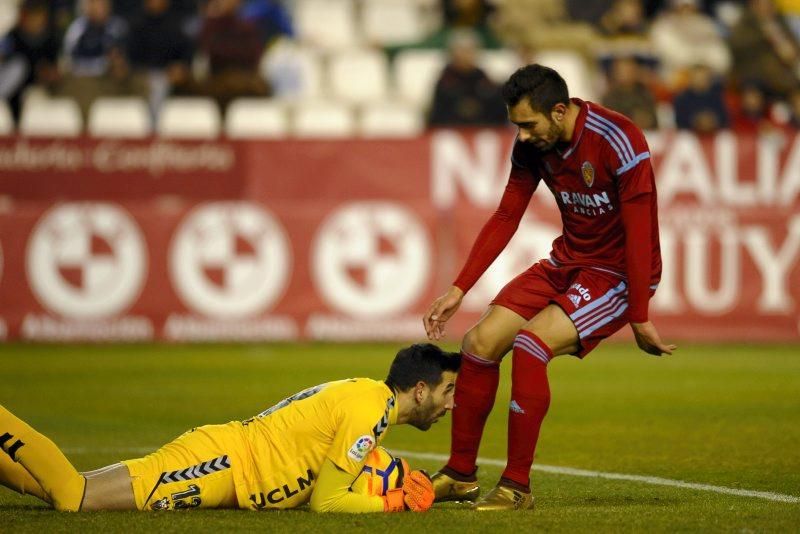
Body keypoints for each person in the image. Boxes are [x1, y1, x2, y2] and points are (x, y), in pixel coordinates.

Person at [422, 64, 674, 511]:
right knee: (478, 342)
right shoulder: (534, 147)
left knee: (532, 346)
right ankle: (461, 474)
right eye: (515, 125)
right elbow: (506, 215)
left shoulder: (619, 139)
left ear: (560, 112)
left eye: (527, 124)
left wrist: (639, 313)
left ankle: (516, 486)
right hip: (567, 261)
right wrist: (459, 288)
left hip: (615, 274)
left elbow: (639, 232)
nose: (520, 136)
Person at [0, 344, 459, 513]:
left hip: (229, 463)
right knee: (73, 496)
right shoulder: (368, 412)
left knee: (57, 493)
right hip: (220, 463)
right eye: (448, 391)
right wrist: (394, 502)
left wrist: (416, 485)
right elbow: (328, 502)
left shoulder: (367, 398)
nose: (451, 405)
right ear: (420, 389)